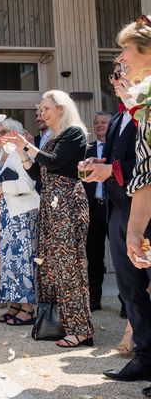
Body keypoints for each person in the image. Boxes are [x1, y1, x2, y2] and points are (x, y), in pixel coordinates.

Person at [83, 16, 151, 388]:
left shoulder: (144, 110)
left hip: (145, 210)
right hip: (120, 209)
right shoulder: (121, 117)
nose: (119, 62)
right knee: (130, 289)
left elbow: (146, 164)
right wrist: (100, 166)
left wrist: (113, 170)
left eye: (124, 53)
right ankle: (144, 357)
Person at [5, 90, 93, 348]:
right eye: (40, 109)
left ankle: (81, 328)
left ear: (61, 109)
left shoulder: (74, 133)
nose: (41, 113)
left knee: (70, 267)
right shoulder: (52, 138)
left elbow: (53, 164)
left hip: (67, 204)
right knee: (52, 269)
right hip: (51, 207)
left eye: (45, 108)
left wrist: (26, 145)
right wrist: (22, 152)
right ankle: (60, 323)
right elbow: (38, 175)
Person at [0, 119, 39, 326]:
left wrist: (2, 189)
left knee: (22, 261)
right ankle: (14, 304)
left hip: (21, 216)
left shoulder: (20, 154)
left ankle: (28, 308)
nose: (0, 136)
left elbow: (29, 183)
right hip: (1, 217)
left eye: (5, 131)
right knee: (6, 263)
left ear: (16, 134)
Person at [82, 111, 112, 311]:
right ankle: (94, 298)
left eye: (104, 123)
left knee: (123, 256)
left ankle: (127, 303)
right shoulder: (87, 149)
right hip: (93, 208)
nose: (100, 125)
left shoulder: (117, 147)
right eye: (97, 123)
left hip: (114, 207)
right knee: (93, 256)